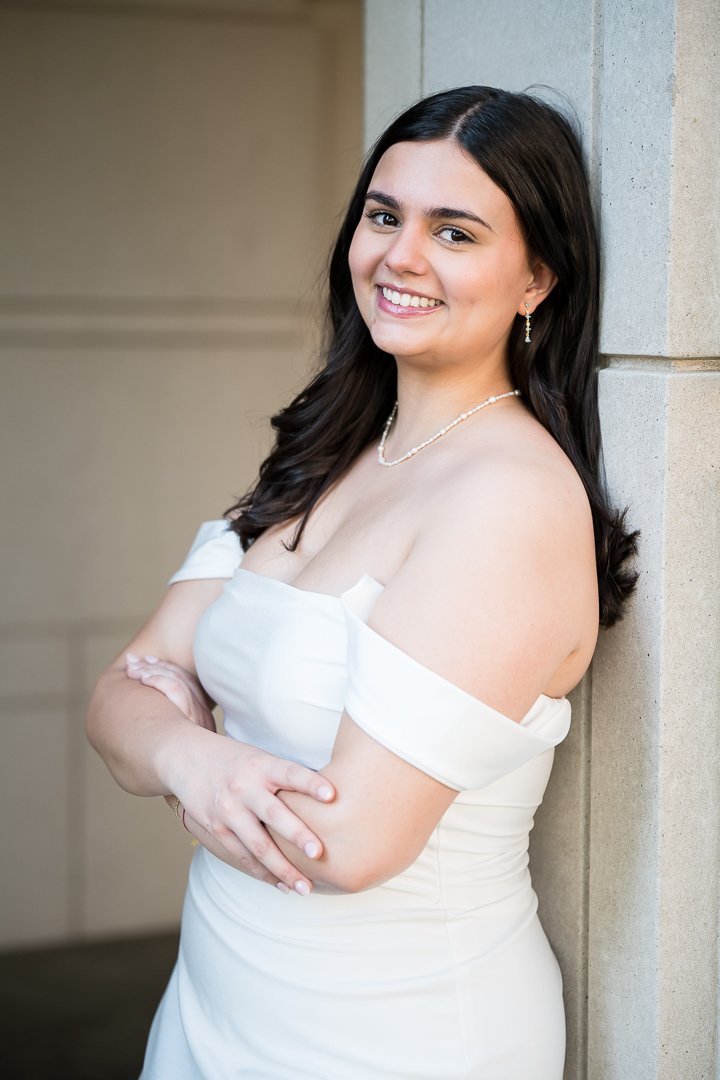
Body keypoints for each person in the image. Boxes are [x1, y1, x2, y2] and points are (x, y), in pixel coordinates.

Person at [87, 85, 639, 1079]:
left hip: (393, 1030)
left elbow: (347, 843)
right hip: (218, 996)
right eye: (384, 216)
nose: (400, 256)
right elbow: (115, 695)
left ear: (538, 279)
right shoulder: (332, 447)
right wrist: (195, 759)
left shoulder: (508, 501)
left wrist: (174, 742)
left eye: (456, 232)